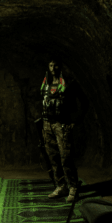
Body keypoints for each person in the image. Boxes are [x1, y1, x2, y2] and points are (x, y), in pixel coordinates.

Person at [40, 56, 81, 203]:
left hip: (62, 124)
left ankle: (73, 188)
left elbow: (84, 102)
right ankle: (61, 185)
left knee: (66, 158)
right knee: (53, 157)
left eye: (55, 66)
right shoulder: (46, 84)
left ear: (60, 67)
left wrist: (74, 122)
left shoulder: (69, 84)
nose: (53, 69)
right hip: (47, 125)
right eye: (50, 66)